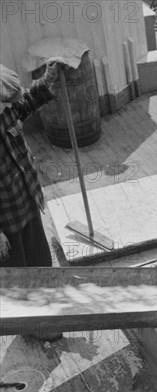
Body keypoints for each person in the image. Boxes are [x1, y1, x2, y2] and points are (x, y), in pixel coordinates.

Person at [0, 60, 65, 267]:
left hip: (27, 200)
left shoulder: (7, 107)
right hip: (6, 220)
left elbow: (26, 102)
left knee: (41, 263)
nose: (11, 107)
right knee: (17, 278)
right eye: (7, 103)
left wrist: (49, 77)